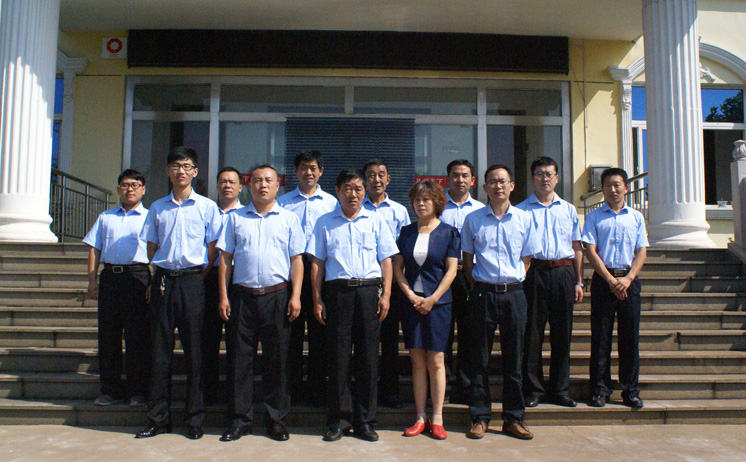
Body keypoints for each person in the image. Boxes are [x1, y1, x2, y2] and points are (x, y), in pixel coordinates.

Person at [136, 146, 222, 440]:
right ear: (168, 171)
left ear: (195, 172)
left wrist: (199, 276)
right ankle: (158, 419)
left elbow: (213, 248)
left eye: (186, 166)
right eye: (175, 166)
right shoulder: (157, 207)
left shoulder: (207, 207)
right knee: (160, 353)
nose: (180, 171)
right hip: (164, 280)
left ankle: (194, 419)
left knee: (195, 352)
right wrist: (159, 273)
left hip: (193, 281)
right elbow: (151, 246)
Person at [307, 169, 398, 443]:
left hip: (369, 293)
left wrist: (386, 295)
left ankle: (366, 421)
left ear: (364, 191)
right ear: (337, 192)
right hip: (337, 293)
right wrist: (317, 298)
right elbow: (317, 263)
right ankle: (339, 420)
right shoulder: (324, 222)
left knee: (368, 358)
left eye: (358, 189)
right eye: (348, 188)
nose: (353, 194)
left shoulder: (376, 220)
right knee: (338, 359)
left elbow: (386, 260)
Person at [217, 165, 304, 442]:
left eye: (268, 180)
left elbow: (297, 260)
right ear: (249, 185)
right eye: (257, 180)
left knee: (277, 362)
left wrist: (296, 295)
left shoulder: (289, 219)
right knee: (239, 362)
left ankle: (276, 420)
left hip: (277, 296)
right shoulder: (235, 218)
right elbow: (226, 259)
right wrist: (223, 295)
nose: (262, 185)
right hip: (242, 297)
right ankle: (239, 421)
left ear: (278, 185)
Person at [461, 164, 538, 441]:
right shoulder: (473, 219)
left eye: (503, 181)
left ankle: (513, 418)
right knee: (479, 359)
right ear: (483, 187)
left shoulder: (524, 219)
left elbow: (527, 259)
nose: (498, 186)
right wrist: (482, 283)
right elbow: (467, 261)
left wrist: (511, 280)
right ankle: (480, 417)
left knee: (514, 359)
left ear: (512, 186)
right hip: (483, 293)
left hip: (514, 294)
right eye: (492, 182)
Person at [393, 180, 459, 440]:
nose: (420, 204)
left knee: (436, 360)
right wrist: (410, 295)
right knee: (417, 361)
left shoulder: (449, 232)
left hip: (438, 304)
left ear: (436, 202)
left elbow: (452, 270)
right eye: (417, 200)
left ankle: (438, 417)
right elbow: (398, 268)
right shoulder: (406, 232)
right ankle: (420, 416)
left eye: (426, 200)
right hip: (411, 304)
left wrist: (432, 298)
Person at [516, 156, 583, 408]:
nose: (545, 179)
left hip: (563, 272)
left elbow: (576, 247)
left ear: (557, 178)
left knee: (562, 333)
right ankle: (534, 389)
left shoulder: (568, 209)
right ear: (532, 178)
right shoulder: (521, 210)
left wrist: (579, 281)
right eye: (540, 174)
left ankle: (560, 390)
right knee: (532, 333)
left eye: (549, 174)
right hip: (534, 272)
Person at [83, 169, 151, 409]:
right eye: (124, 185)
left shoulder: (150, 217)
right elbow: (95, 248)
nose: (129, 189)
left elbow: (158, 250)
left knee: (137, 336)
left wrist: (153, 282)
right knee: (108, 335)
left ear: (143, 189)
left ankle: (137, 391)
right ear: (118, 189)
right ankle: (109, 390)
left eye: (134, 184)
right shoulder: (106, 217)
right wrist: (92, 280)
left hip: (138, 277)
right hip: (111, 277)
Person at [582, 167, 648, 410]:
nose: (612, 190)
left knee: (630, 338)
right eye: (608, 185)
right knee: (600, 337)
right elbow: (590, 251)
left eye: (617, 185)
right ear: (602, 189)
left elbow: (641, 250)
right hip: (604, 281)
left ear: (626, 188)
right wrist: (610, 280)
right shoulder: (594, 217)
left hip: (629, 281)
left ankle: (630, 390)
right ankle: (600, 389)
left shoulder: (636, 217)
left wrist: (628, 278)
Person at [278, 150, 338, 406]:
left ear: (321, 171)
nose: (308, 172)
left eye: (313, 168)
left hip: (320, 271)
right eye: (303, 167)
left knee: (319, 334)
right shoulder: (282, 202)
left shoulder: (332, 203)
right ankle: (291, 389)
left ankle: (316, 390)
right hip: (291, 271)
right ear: (295, 171)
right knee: (290, 334)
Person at [362, 158, 411, 409]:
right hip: (364, 281)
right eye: (371, 175)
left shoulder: (399, 211)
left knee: (390, 340)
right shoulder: (355, 208)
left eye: (381, 174)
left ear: (388, 179)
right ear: (364, 180)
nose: (377, 179)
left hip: (391, 281)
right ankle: (364, 392)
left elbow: (403, 249)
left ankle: (390, 391)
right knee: (364, 340)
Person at [439, 159, 485, 403]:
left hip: (470, 275)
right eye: (455, 175)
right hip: (442, 277)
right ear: (448, 179)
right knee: (443, 334)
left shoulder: (480, 210)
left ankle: (466, 388)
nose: (460, 180)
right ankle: (443, 388)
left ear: (473, 180)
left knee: (469, 334)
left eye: (465, 175)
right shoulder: (438, 208)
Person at [202, 166, 243, 405]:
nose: (227, 186)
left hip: (237, 279)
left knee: (236, 341)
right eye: (223, 182)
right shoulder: (206, 212)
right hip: (208, 277)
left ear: (240, 187)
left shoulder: (246, 214)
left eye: (232, 182)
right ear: (217, 186)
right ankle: (208, 393)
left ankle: (233, 395)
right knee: (208, 338)